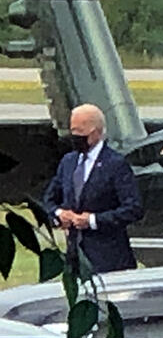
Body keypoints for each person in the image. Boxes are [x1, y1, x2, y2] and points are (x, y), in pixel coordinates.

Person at [43, 103, 143, 273]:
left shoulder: (115, 164)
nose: (75, 137)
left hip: (109, 259)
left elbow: (133, 208)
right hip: (76, 257)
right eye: (72, 131)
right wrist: (60, 214)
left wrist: (92, 221)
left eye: (80, 133)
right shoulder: (68, 162)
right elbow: (49, 199)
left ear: (95, 132)